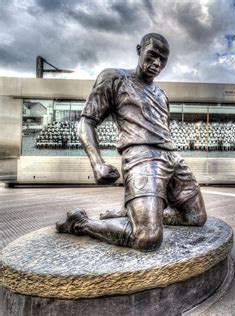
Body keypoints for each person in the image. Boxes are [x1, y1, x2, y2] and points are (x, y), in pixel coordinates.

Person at [56, 33, 207, 251]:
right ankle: (80, 223)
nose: (156, 64)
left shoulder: (162, 95)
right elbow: (86, 122)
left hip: (172, 158)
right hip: (142, 158)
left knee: (195, 217)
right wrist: (97, 163)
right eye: (152, 56)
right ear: (139, 50)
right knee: (147, 238)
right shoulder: (114, 78)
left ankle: (138, 213)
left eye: (162, 60)